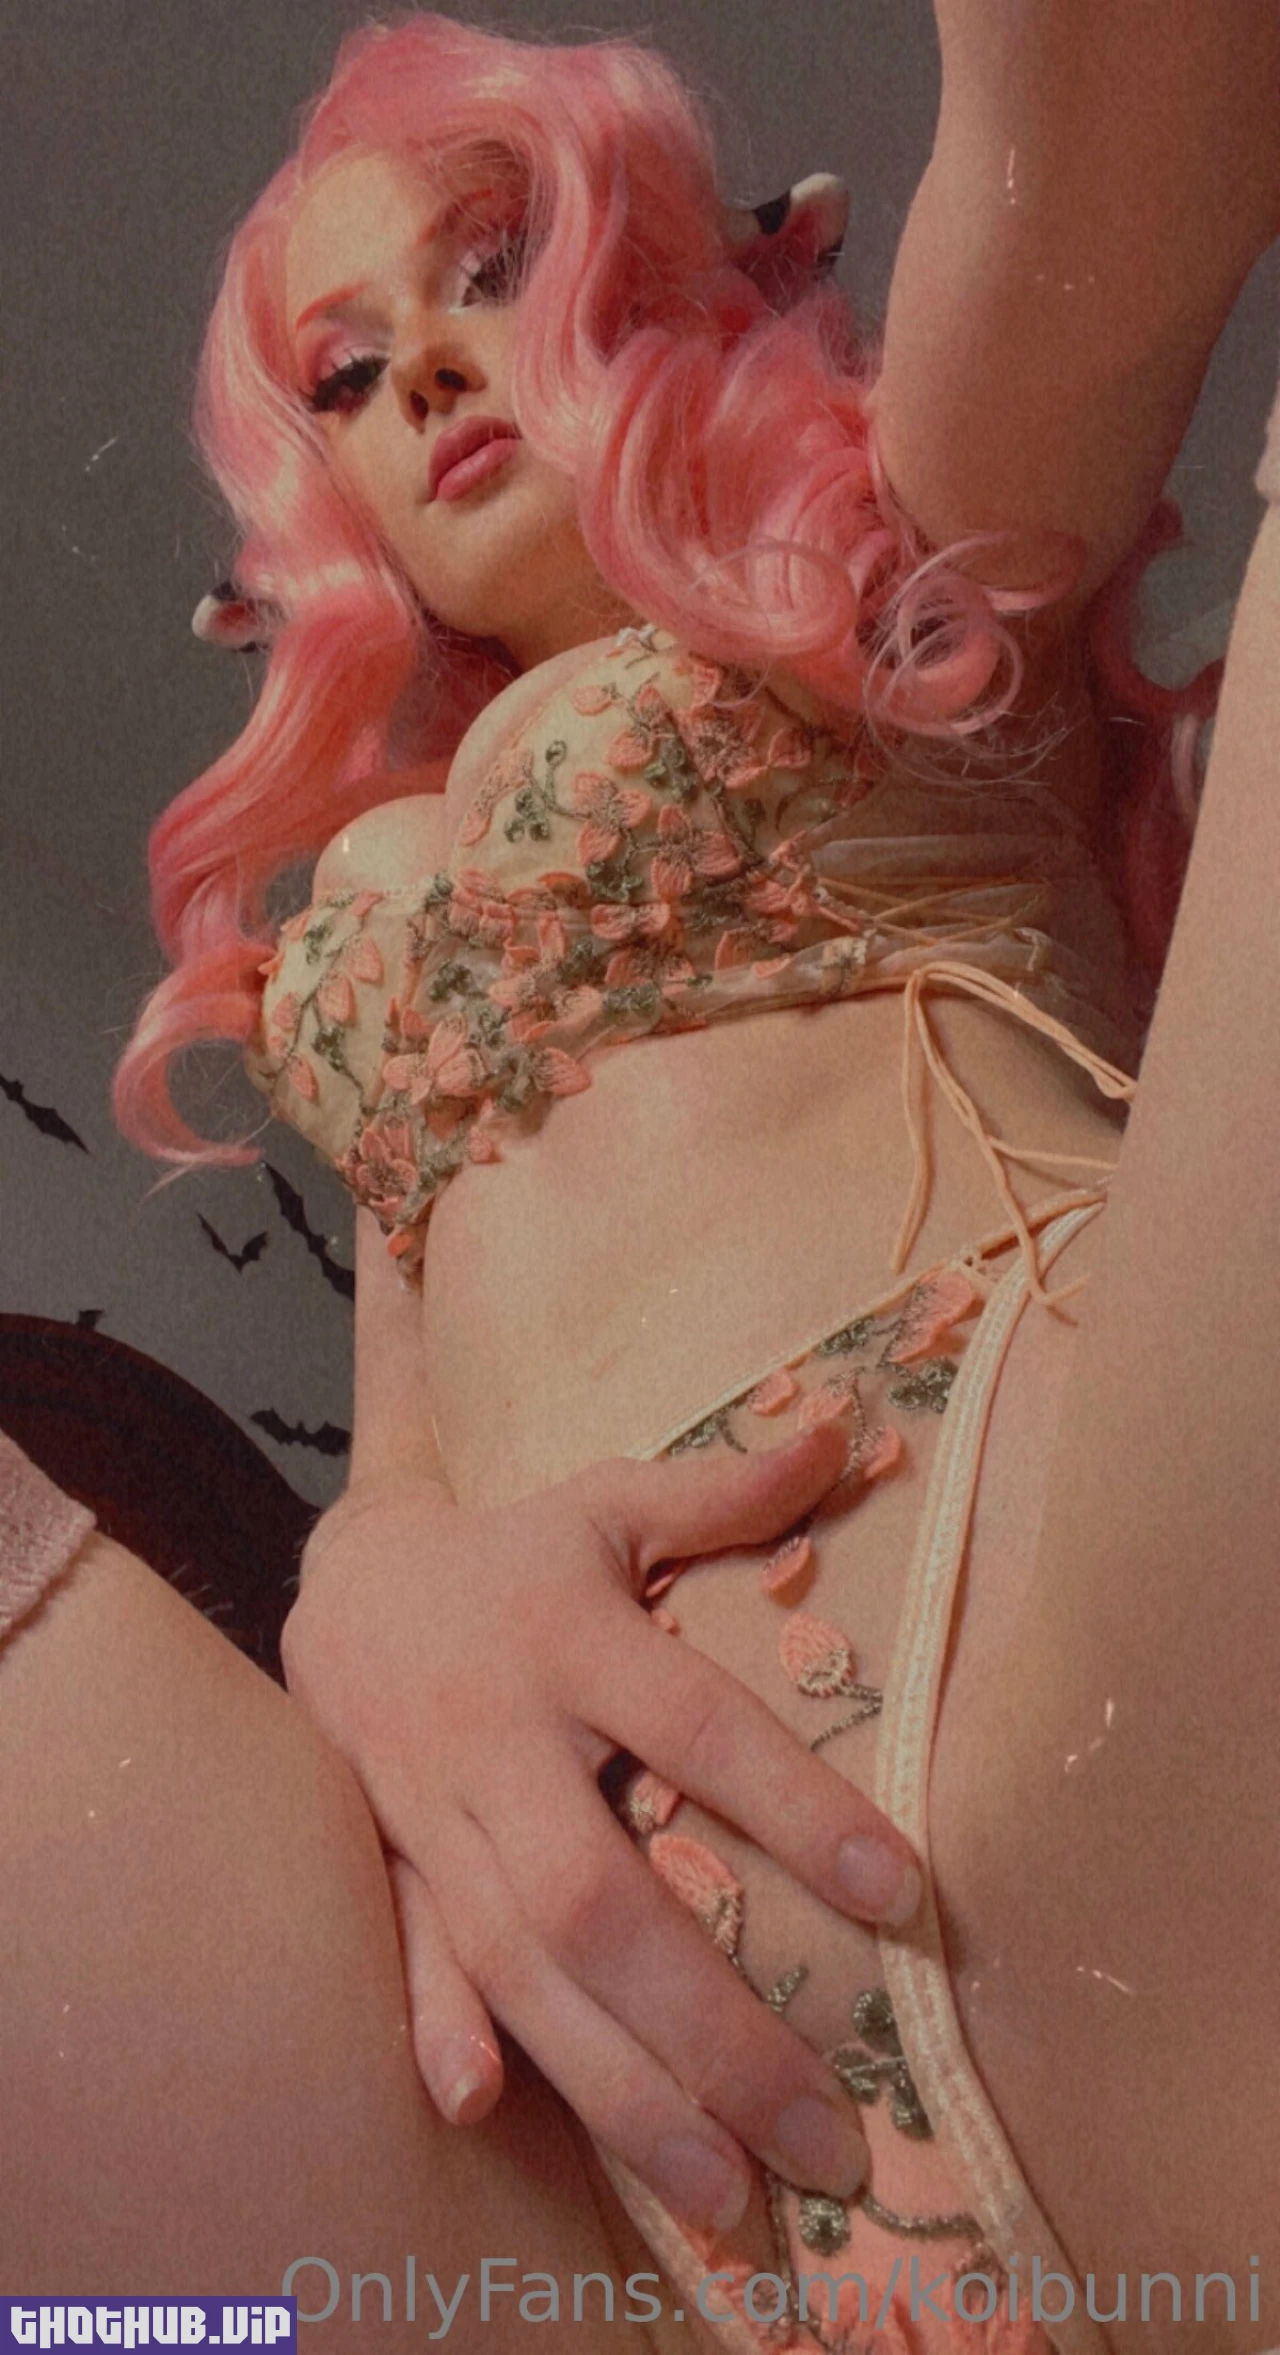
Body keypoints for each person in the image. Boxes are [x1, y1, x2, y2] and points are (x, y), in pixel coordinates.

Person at [6, 7, 1279, 2351]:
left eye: (498, 262)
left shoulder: (887, 566)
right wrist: (359, 1586)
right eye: (348, 372)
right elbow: (406, 1454)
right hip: (623, 2153)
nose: (427, 372)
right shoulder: (360, 911)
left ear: (689, 273)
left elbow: (1112, 149)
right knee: (78, 2323)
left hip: (1088, 1666)